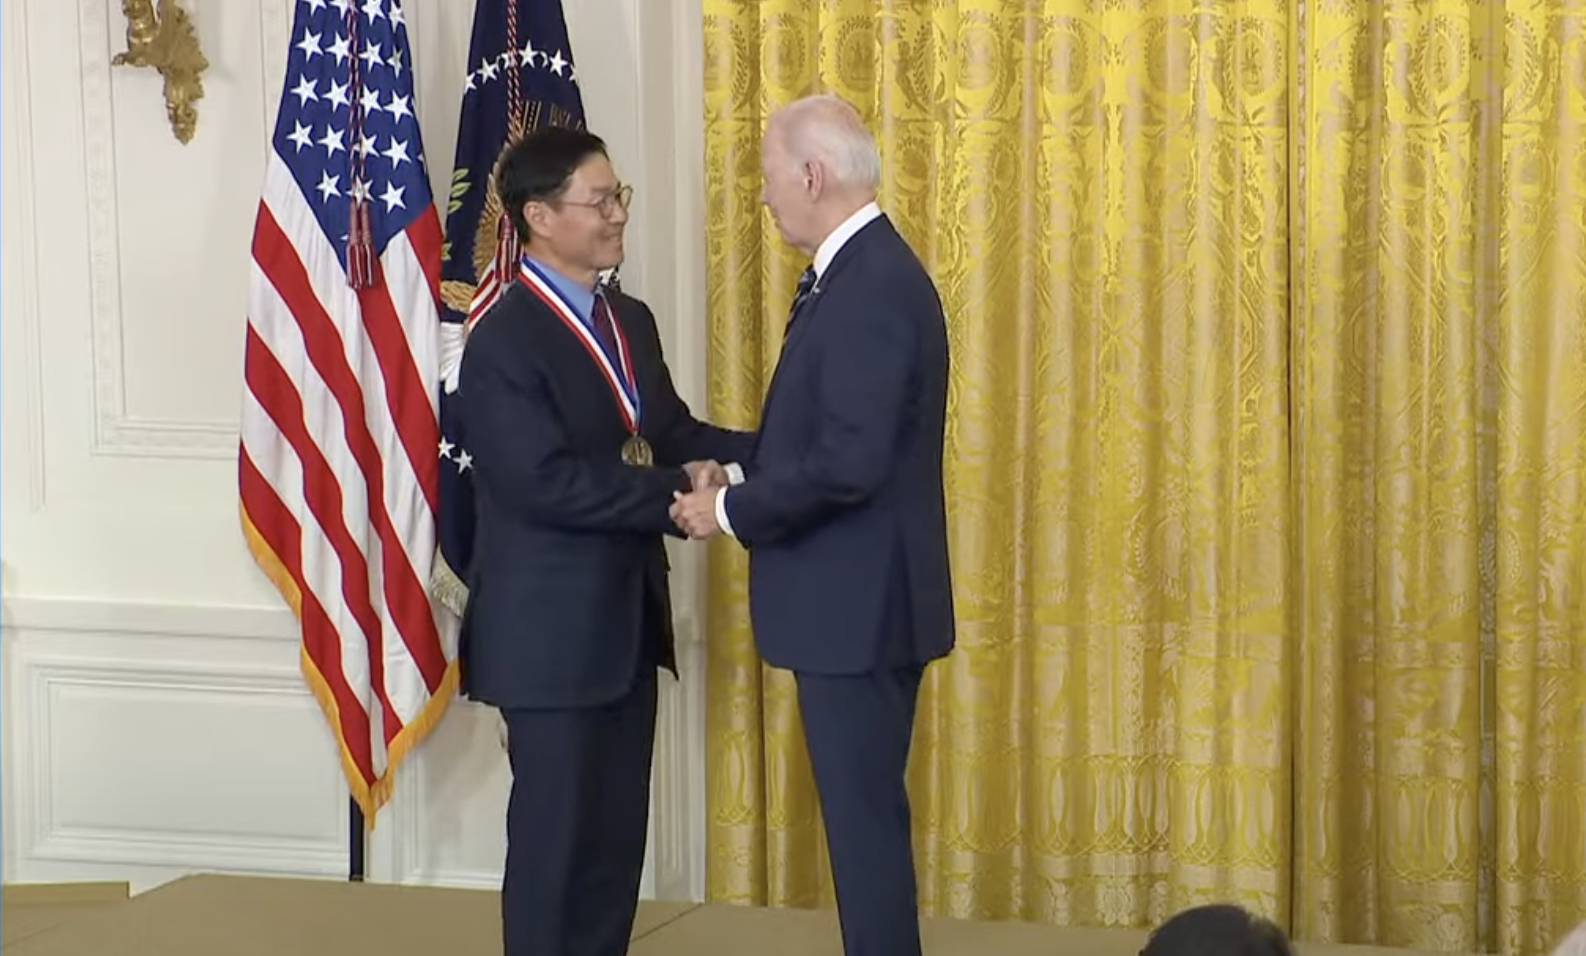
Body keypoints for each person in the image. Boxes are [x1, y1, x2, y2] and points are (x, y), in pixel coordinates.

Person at [670, 93, 955, 956]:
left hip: (858, 611)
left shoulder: (869, 283)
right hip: (857, 605)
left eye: (766, 175)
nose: (761, 194)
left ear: (813, 174)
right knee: (862, 823)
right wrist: (744, 466)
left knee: (864, 831)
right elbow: (828, 440)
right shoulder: (858, 273)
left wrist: (724, 508)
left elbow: (852, 465)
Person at [457, 125, 752, 956]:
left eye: (621, 196)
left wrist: (782, 454)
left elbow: (669, 429)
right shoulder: (505, 337)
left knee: (615, 853)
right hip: (550, 641)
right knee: (557, 854)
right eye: (602, 200)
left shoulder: (629, 318)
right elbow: (542, 482)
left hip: (626, 628)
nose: (619, 214)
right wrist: (680, 494)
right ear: (540, 216)